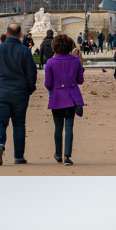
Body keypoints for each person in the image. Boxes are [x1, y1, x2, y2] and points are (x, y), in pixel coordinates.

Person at [0, 23, 38, 166]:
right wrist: (30, 88)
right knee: (19, 124)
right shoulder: (25, 51)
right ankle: (18, 156)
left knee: (0, 122)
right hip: (20, 92)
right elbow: (32, 72)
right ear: (21, 35)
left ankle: (0, 145)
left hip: (1, 92)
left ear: (7, 34)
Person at [44, 32, 84, 165]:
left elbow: (47, 84)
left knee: (58, 127)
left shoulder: (50, 62)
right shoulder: (76, 60)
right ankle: (67, 155)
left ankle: (58, 154)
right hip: (72, 96)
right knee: (69, 127)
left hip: (56, 97)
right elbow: (80, 80)